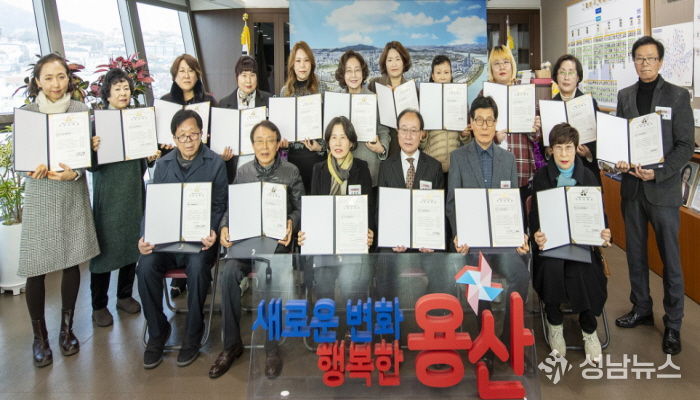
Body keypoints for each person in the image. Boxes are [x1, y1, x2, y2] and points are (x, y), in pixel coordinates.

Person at [16, 53, 100, 367]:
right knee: (36, 267)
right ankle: (39, 338)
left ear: (69, 79)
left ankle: (67, 330)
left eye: (61, 76)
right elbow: (19, 159)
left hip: (70, 192)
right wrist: (29, 169)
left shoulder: (80, 110)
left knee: (71, 261)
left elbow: (86, 157)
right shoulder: (28, 114)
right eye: (49, 78)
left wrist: (76, 170)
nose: (56, 83)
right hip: (40, 194)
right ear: (38, 81)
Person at [613, 36, 694, 356]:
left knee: (670, 259)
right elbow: (620, 139)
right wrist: (619, 159)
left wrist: (659, 173)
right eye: (639, 58)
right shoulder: (625, 95)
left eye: (650, 58)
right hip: (632, 188)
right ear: (633, 61)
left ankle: (673, 323)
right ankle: (641, 308)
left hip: (662, 190)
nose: (644, 63)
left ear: (660, 62)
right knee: (635, 254)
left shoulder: (677, 96)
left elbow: (685, 146)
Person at [211, 120, 304, 379]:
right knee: (228, 273)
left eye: (270, 141)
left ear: (278, 144)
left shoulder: (291, 171)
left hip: (276, 243)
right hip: (247, 240)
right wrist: (225, 226)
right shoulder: (243, 172)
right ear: (252, 145)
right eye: (259, 141)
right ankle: (231, 345)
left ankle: (271, 347)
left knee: (271, 275)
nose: (265, 146)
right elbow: (231, 207)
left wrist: (291, 222)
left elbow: (301, 207)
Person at [136, 110, 227, 369]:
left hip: (200, 241)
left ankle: (193, 332)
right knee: (145, 266)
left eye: (193, 134)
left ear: (202, 134)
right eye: (182, 136)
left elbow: (220, 205)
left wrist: (213, 230)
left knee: (198, 268)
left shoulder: (215, 163)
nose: (188, 141)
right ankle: (158, 331)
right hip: (166, 241)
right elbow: (152, 206)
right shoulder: (163, 164)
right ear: (174, 139)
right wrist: (144, 236)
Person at [446, 95, 530, 363]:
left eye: (489, 121)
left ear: (496, 124)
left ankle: (507, 338)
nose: (484, 126)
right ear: (471, 123)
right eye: (479, 120)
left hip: (502, 241)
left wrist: (520, 234)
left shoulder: (508, 159)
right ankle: (486, 339)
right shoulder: (458, 157)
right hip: (473, 241)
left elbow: (514, 202)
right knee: (479, 281)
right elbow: (452, 203)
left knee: (520, 275)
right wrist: (458, 235)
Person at [530, 123, 610, 361]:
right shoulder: (541, 177)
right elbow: (535, 216)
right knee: (552, 268)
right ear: (550, 150)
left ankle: (589, 328)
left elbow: (600, 216)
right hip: (551, 245)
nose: (564, 154)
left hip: (581, 245)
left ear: (577, 149)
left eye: (568, 148)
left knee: (583, 269)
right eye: (558, 148)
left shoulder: (589, 176)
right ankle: (555, 323)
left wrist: (605, 234)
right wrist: (536, 234)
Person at [88, 68, 160, 327]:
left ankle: (124, 295)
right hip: (109, 195)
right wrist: (92, 149)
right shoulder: (97, 123)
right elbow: (90, 165)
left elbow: (142, 163)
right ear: (107, 93)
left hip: (133, 191)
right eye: (117, 89)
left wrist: (150, 156)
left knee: (132, 243)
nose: (123, 93)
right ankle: (98, 304)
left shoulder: (136, 120)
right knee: (104, 250)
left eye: (126, 88)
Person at [297, 116, 375, 300]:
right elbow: (313, 209)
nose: (338, 143)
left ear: (351, 143)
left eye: (343, 137)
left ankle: (352, 320)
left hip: (352, 243)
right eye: (333, 137)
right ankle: (326, 319)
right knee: (323, 282)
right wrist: (304, 232)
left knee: (350, 282)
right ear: (328, 141)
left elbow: (369, 206)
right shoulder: (319, 169)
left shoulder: (361, 168)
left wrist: (370, 230)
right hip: (325, 245)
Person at [161, 54, 217, 297]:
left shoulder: (209, 101)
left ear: (197, 74)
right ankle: (181, 277)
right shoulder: (165, 103)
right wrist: (160, 148)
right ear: (174, 75)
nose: (186, 75)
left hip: (203, 167)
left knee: (199, 215)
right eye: (181, 71)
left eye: (190, 70)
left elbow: (217, 135)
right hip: (174, 167)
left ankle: (199, 275)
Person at [376, 109, 445, 298]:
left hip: (426, 241)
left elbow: (439, 212)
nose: (408, 136)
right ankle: (388, 314)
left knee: (440, 267)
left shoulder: (434, 167)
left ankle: (433, 313)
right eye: (404, 129)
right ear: (397, 132)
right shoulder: (386, 167)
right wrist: (391, 239)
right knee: (384, 263)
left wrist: (431, 240)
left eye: (414, 130)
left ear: (422, 134)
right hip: (395, 241)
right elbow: (381, 210)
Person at [486, 45, 542, 199]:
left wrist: (535, 129)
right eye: (496, 63)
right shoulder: (485, 94)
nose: (502, 67)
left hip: (521, 165)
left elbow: (537, 137)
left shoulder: (525, 91)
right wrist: (494, 138)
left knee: (522, 211)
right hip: (493, 166)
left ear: (512, 65)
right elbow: (476, 134)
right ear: (491, 68)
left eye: (506, 62)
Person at [335, 50, 390, 188]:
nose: (353, 75)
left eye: (357, 70)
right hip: (342, 168)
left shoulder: (373, 99)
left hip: (370, 165)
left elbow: (383, 131)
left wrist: (382, 148)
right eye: (348, 71)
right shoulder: (337, 100)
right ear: (342, 74)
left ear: (363, 72)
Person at [279, 41, 326, 194]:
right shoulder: (285, 92)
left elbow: (330, 125)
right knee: (296, 201)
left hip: (316, 158)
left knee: (316, 202)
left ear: (312, 63)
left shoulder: (322, 88)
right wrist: (282, 143)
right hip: (292, 160)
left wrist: (321, 147)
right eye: (298, 61)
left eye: (306, 60)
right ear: (292, 64)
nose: (302, 65)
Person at [218, 55, 272, 184]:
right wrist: (222, 154)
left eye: (252, 75)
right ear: (236, 77)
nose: (248, 80)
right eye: (244, 75)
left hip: (263, 162)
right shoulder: (224, 104)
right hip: (235, 164)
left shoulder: (269, 100)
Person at [551, 54, 600, 181]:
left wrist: (588, 152)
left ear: (578, 77)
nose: (566, 77)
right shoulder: (549, 106)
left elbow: (602, 140)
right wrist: (548, 150)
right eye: (562, 72)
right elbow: (542, 144)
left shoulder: (589, 103)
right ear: (556, 76)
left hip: (586, 172)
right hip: (556, 174)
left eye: (571, 72)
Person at [420, 55, 471, 176]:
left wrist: (465, 135)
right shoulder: (425, 100)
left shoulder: (461, 99)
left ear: (451, 74)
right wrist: (423, 136)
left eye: (446, 72)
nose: (443, 76)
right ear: (433, 76)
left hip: (455, 166)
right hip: (431, 164)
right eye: (438, 72)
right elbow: (421, 144)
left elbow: (467, 143)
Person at [368, 41, 413, 158]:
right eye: (389, 60)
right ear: (385, 63)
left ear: (404, 62)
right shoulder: (374, 84)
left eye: (398, 59)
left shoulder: (411, 89)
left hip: (403, 148)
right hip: (378, 148)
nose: (394, 64)